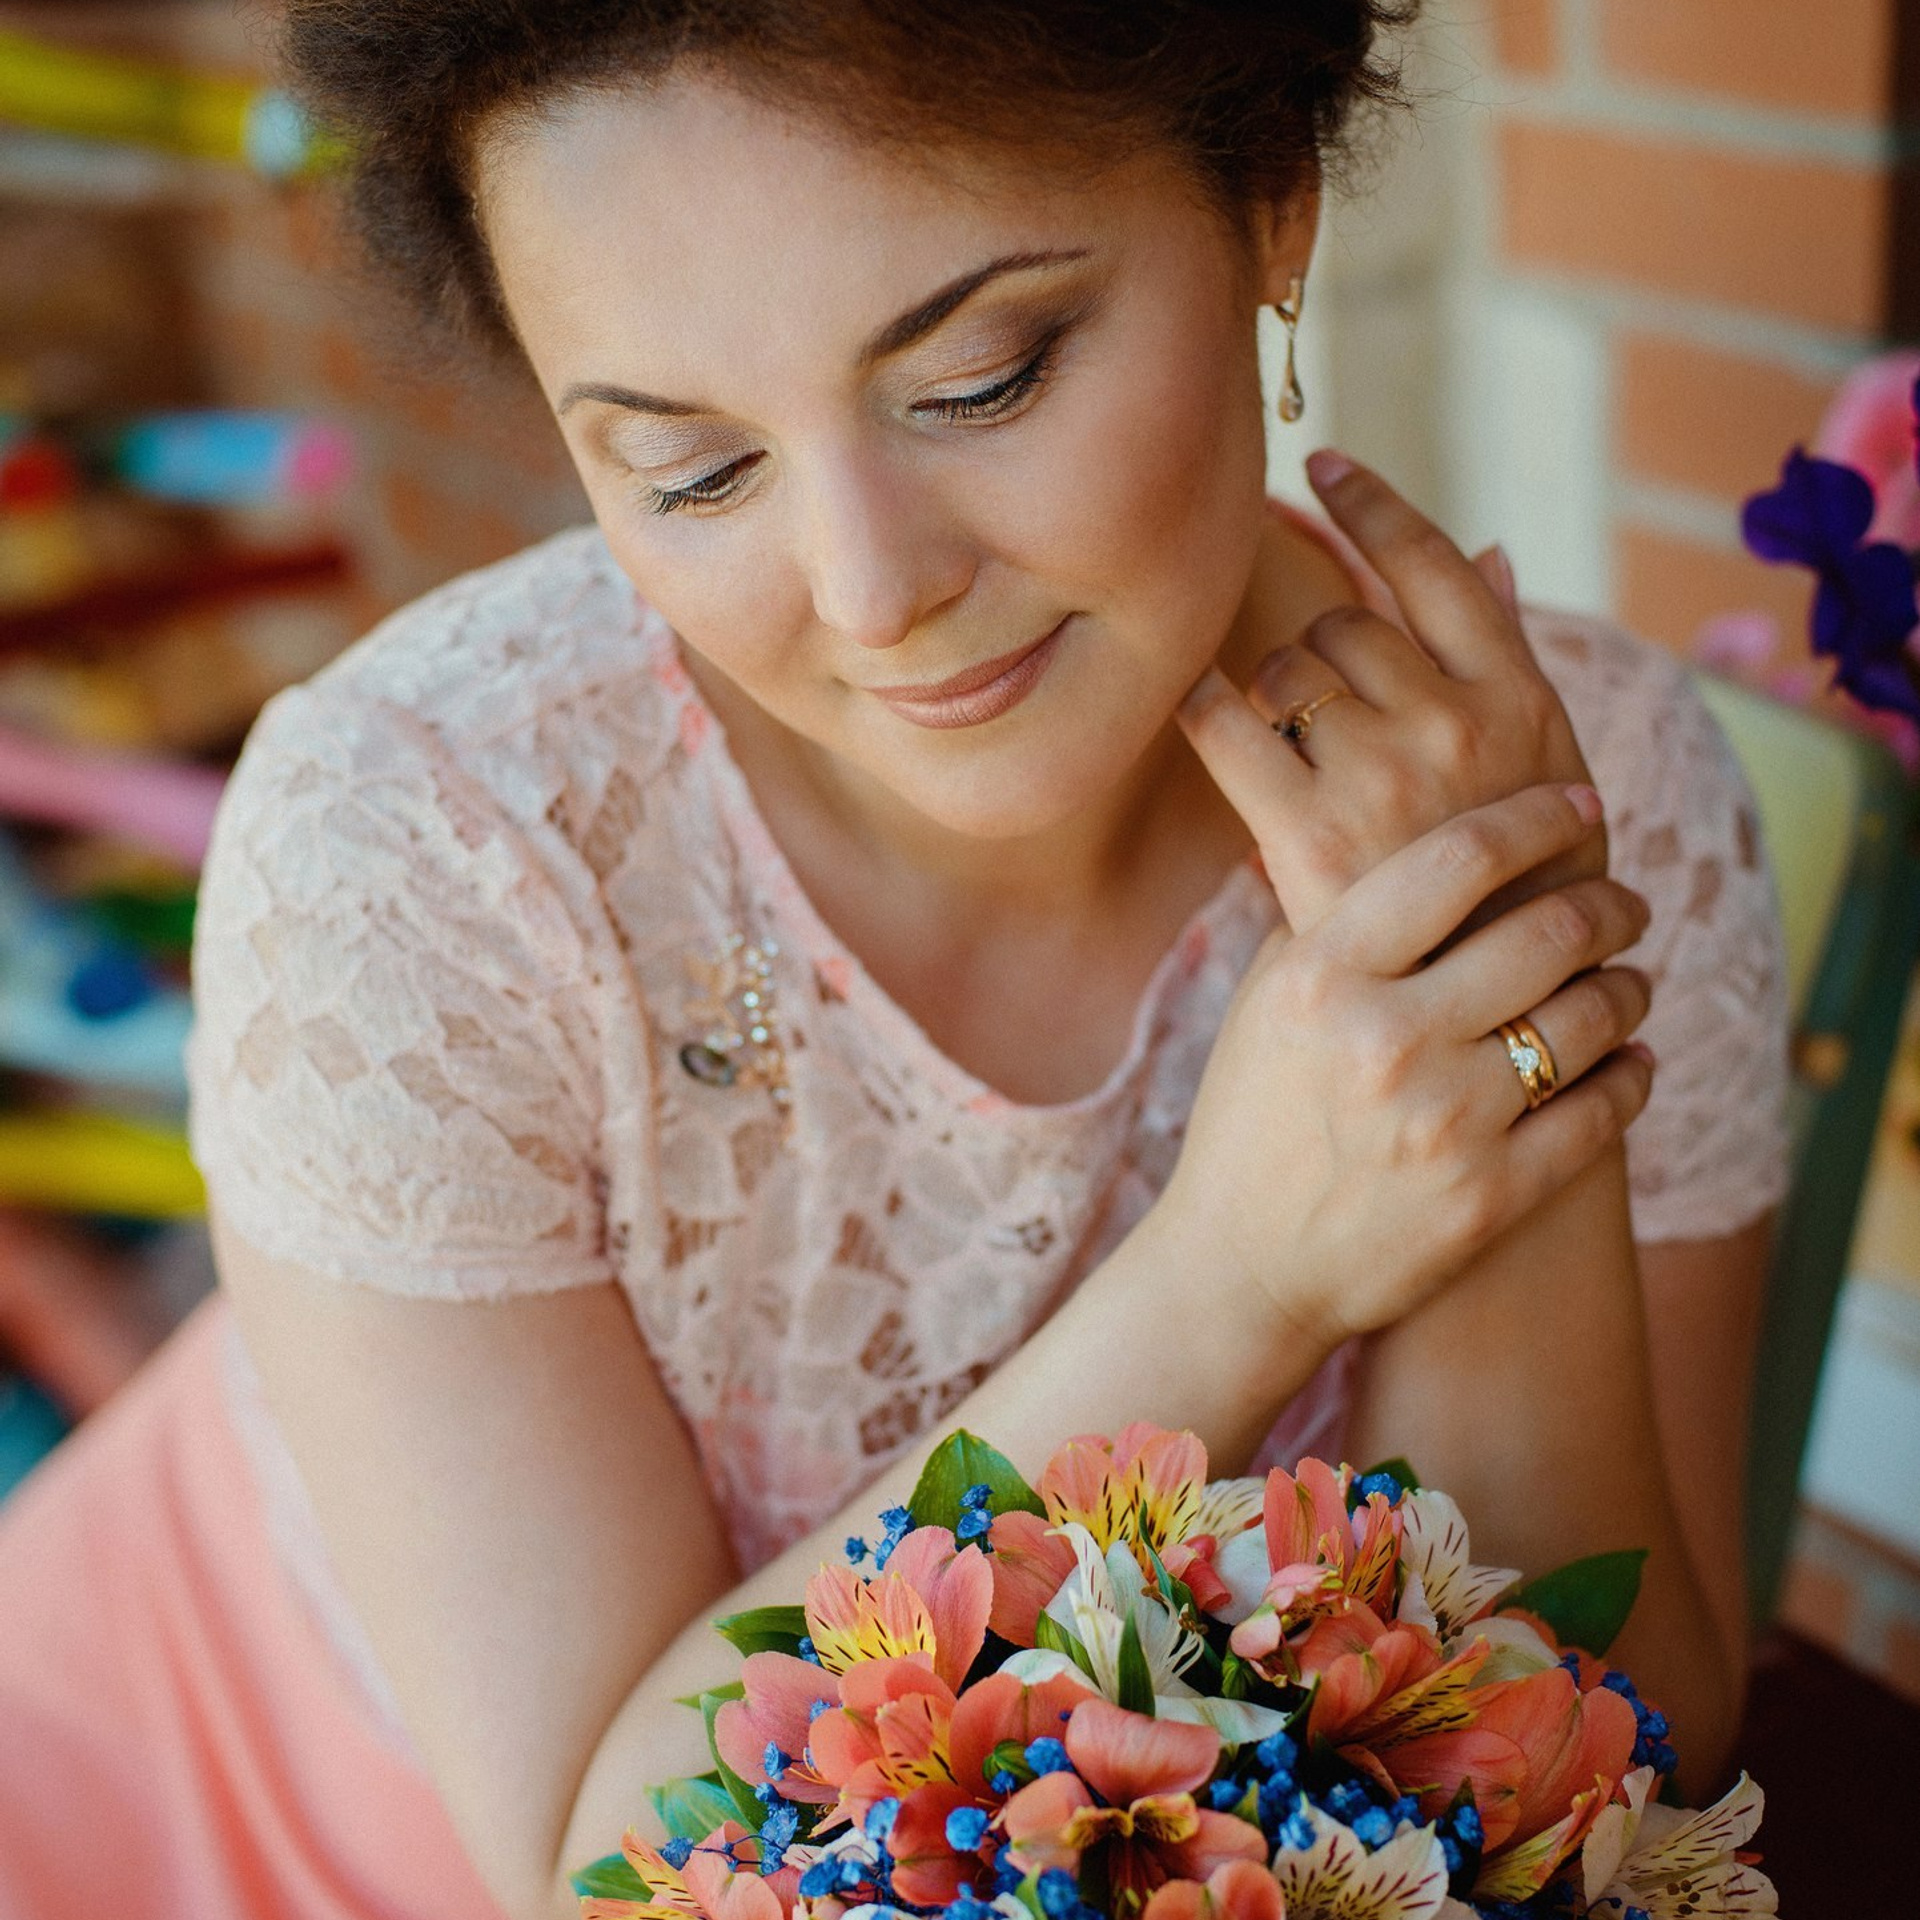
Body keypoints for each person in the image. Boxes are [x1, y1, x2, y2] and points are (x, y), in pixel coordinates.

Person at [0, 6, 1792, 1919]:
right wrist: (1238, 1272)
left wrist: (1466, 963)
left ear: (1274, 201)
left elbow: (1610, 1736)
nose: (873, 595)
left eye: (982, 377)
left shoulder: (1578, 781)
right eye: (693, 474)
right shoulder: (421, 845)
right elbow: (598, 1869)